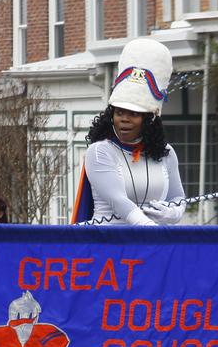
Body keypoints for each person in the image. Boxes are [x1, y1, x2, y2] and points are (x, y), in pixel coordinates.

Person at [77, 38, 186, 227]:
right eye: (119, 112)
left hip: (151, 245)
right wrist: (149, 227)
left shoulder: (167, 152)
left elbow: (178, 197)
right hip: (109, 245)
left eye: (134, 114)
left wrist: (172, 214)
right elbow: (119, 202)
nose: (124, 119)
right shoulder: (99, 151)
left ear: (149, 118)